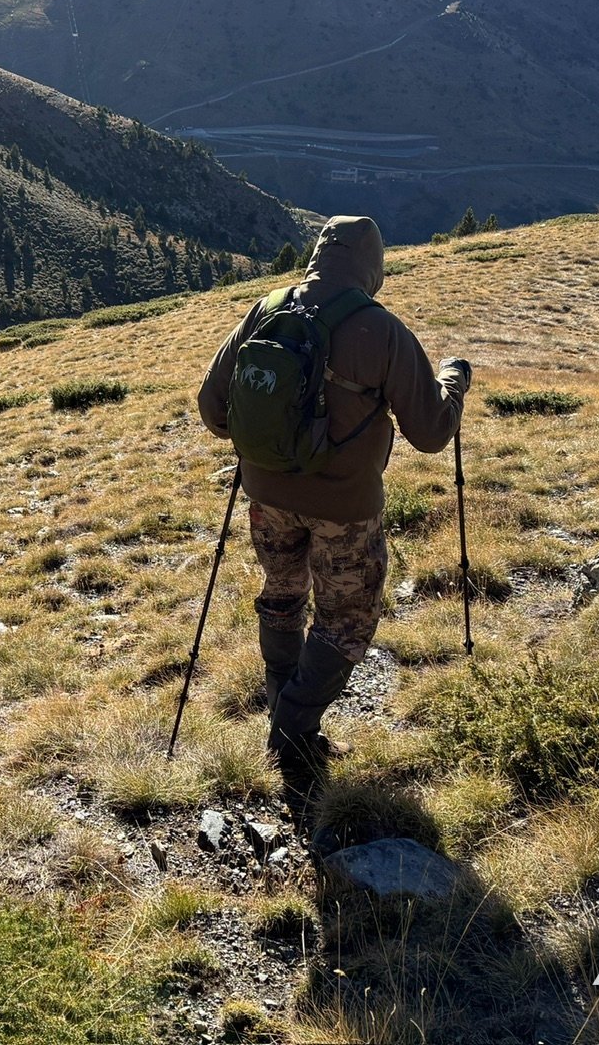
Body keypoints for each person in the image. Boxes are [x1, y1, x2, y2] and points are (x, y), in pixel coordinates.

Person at [197, 215, 470, 815]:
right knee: (347, 619)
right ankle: (291, 730)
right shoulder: (382, 330)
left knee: (283, 594)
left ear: (319, 254)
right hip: (345, 509)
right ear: (372, 267)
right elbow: (430, 432)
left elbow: (212, 408)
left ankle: (283, 709)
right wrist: (452, 384)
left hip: (267, 497)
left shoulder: (267, 309)